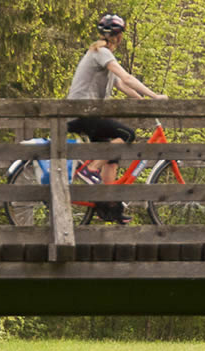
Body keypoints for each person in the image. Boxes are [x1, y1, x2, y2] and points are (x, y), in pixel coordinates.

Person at [65, 13, 166, 223]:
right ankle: (90, 169)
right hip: (83, 113)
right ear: (118, 36)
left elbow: (121, 85)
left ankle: (109, 208)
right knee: (126, 134)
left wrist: (143, 102)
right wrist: (155, 96)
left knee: (111, 158)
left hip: (88, 113)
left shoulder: (102, 55)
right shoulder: (101, 53)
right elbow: (127, 77)